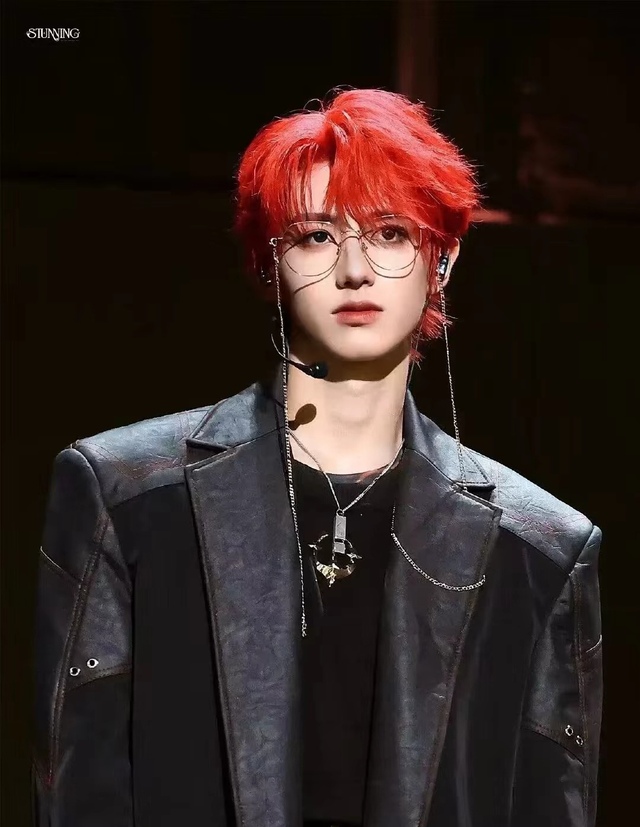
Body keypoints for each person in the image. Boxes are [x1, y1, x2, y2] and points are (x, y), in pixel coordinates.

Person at [31, 88, 603, 827]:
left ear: (443, 259)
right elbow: (81, 791)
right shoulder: (127, 499)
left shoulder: (541, 551)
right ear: (270, 263)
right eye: (315, 236)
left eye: (391, 233)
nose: (354, 268)